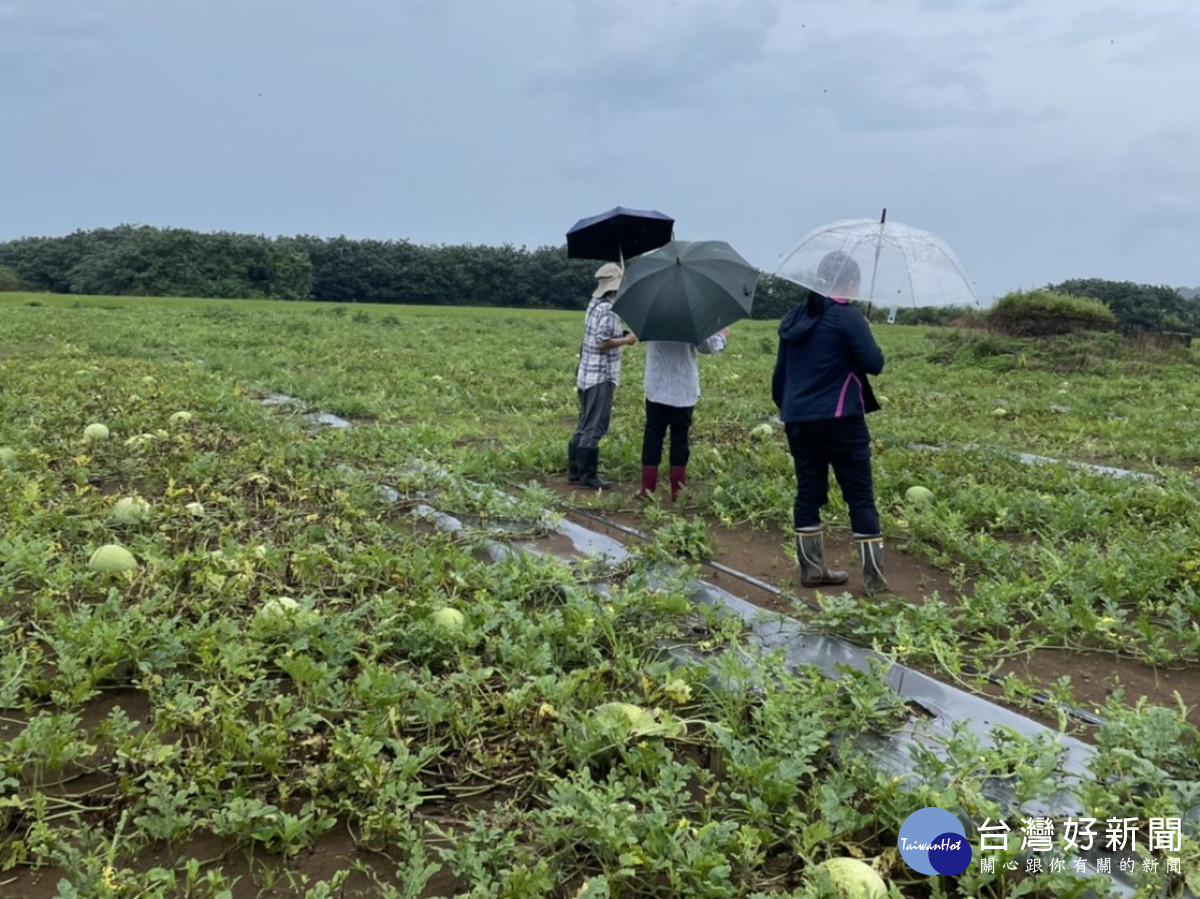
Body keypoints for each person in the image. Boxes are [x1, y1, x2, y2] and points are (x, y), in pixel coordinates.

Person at [771, 250, 888, 593]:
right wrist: (862, 327)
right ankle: (874, 580)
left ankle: (812, 571)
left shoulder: (795, 316)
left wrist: (790, 409)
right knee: (860, 496)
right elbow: (874, 363)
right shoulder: (847, 316)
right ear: (850, 283)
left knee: (808, 492)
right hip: (840, 419)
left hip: (798, 419)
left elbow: (780, 376)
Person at [567, 262, 638, 490]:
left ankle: (575, 471)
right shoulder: (609, 309)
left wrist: (621, 333)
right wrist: (627, 340)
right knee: (596, 425)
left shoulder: (594, 304)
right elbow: (602, 342)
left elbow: (595, 335)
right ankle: (588, 476)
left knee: (584, 422)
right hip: (601, 376)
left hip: (587, 374)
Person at [637, 329, 728, 500]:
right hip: (683, 388)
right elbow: (707, 347)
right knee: (680, 438)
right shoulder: (691, 318)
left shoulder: (652, 317)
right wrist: (722, 337)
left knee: (652, 437)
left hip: (656, 386)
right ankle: (678, 489)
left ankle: (647, 488)